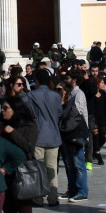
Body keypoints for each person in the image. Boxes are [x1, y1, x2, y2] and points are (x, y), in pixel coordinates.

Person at [0, 98, 38, 213]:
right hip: (5, 174)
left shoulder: (28, 126)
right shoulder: (1, 124)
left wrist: (11, 131)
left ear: (15, 109)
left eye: (6, 108)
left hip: (22, 175)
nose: (3, 111)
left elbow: (28, 148)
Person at [24, 69, 62, 205]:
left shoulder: (31, 95)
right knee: (52, 169)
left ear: (37, 81)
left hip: (38, 136)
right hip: (53, 136)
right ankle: (53, 197)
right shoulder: (56, 96)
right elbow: (59, 113)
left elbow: (24, 109)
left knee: (38, 168)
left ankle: (38, 198)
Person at [59, 71, 89, 202]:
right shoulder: (71, 94)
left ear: (74, 80)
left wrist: (64, 126)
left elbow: (77, 115)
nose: (65, 80)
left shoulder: (79, 94)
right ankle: (72, 189)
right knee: (69, 164)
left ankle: (82, 191)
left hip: (76, 133)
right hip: (69, 134)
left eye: (67, 78)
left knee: (78, 163)